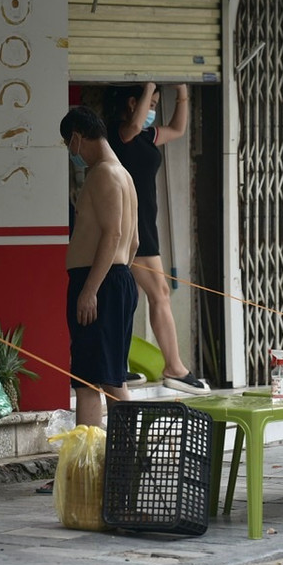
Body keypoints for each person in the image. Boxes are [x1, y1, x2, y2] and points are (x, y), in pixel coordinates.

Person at [103, 82, 210, 395]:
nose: (153, 111)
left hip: (144, 224)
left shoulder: (148, 137)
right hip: (127, 225)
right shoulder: (119, 134)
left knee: (130, 297)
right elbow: (134, 125)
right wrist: (149, 81)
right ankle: (174, 366)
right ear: (134, 102)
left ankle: (118, 365)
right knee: (159, 291)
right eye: (151, 104)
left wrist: (183, 92)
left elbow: (177, 128)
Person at [60, 105, 141, 428]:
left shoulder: (103, 173)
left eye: (69, 143)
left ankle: (89, 462)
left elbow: (115, 233)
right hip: (115, 279)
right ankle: (125, 455)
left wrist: (91, 289)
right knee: (110, 377)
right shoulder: (124, 174)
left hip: (98, 281)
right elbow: (133, 243)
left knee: (89, 380)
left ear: (77, 138)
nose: (71, 152)